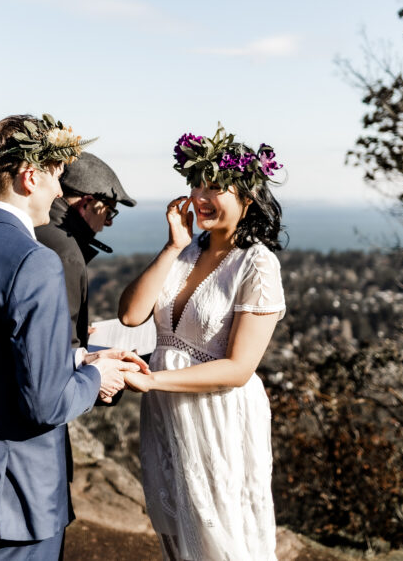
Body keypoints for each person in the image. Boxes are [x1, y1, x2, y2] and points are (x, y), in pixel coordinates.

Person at [0, 114, 147, 560]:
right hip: (17, 495)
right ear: (31, 177)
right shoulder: (35, 260)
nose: (59, 192)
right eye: (55, 177)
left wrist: (70, 361)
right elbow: (45, 404)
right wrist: (96, 376)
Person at [118, 125, 286, 560]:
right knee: (177, 534)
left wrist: (153, 381)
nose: (200, 196)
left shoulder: (257, 265)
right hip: (167, 416)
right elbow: (131, 314)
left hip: (218, 415)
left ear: (247, 197)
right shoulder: (186, 254)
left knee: (223, 539)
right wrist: (173, 245)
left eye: (216, 187)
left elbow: (239, 368)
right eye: (196, 185)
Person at [36, 152, 136, 350]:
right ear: (86, 204)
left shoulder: (31, 227)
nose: (109, 222)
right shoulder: (66, 253)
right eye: (109, 211)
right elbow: (62, 350)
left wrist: (76, 327)